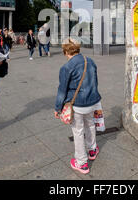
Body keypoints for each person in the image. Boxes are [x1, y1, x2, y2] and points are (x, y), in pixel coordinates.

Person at [54, 38, 102, 174]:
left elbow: (62, 90)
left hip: (78, 104)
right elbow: (95, 82)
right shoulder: (90, 61)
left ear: (65, 51)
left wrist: (58, 108)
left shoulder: (66, 67)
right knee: (91, 125)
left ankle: (82, 163)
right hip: (92, 102)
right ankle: (92, 149)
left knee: (78, 131)